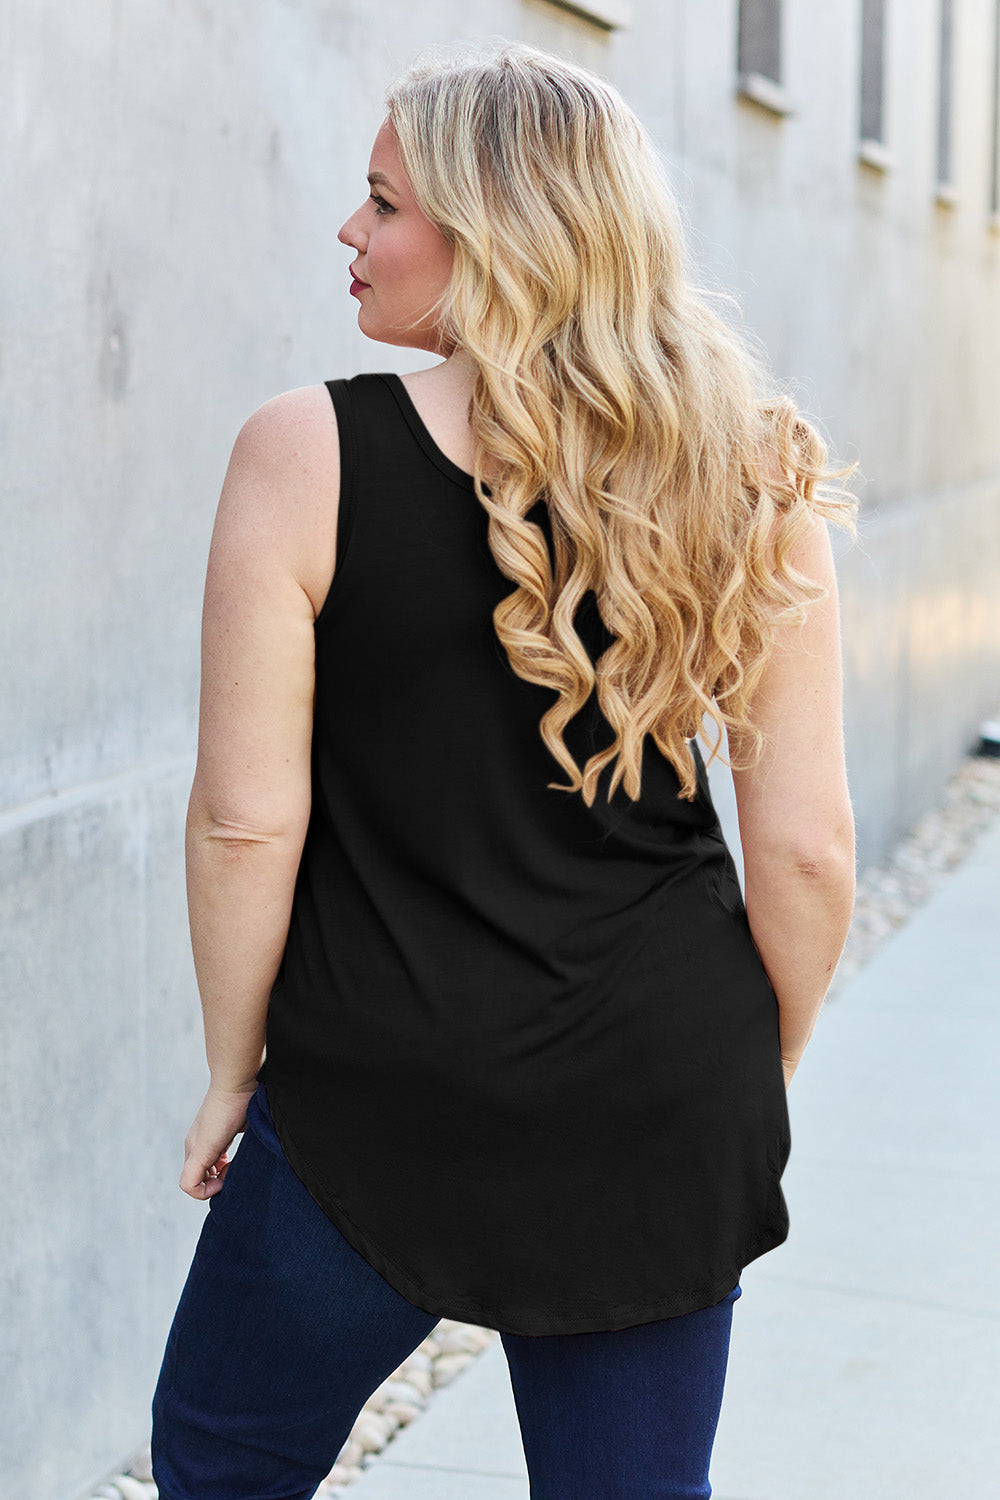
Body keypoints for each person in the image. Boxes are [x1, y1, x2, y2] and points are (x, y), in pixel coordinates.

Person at [150, 39, 857, 1500]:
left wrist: (233, 1070)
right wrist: (754, 1054)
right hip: (656, 1085)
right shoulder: (754, 469)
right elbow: (804, 850)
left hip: (374, 1084)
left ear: (497, 237)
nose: (350, 232)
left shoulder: (306, 453)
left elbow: (240, 822)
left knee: (226, 1462)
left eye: (382, 202)